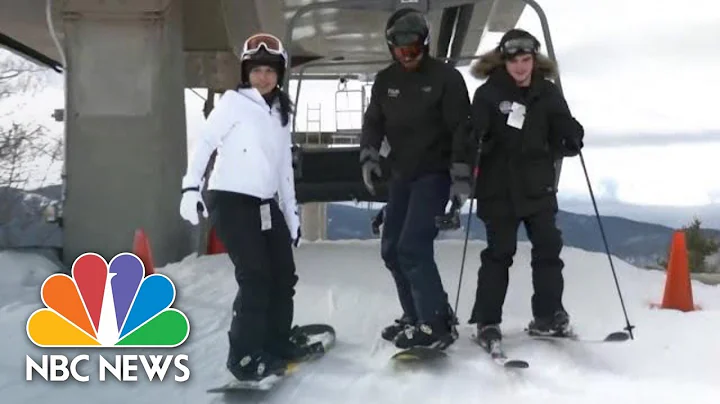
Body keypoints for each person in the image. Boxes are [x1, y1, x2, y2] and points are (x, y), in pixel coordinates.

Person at [179, 33, 307, 382]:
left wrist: (291, 214)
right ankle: (245, 357)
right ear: (246, 72)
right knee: (255, 277)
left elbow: (282, 167)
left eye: (270, 70)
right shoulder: (233, 103)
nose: (263, 76)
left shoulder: (282, 112)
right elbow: (205, 143)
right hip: (232, 200)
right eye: (256, 70)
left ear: (279, 73)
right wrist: (191, 187)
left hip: (266, 204)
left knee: (283, 274)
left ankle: (276, 342)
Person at [359, 7, 474, 350]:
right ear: (391, 47)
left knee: (413, 247)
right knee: (392, 249)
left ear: (424, 44)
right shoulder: (386, 80)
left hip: (434, 174)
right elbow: (373, 122)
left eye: (414, 49)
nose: (407, 56)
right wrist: (369, 155)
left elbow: (462, 131)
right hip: (402, 173)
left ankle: (436, 323)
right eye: (400, 50)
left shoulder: (446, 79)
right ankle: (416, 316)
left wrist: (461, 176)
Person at [465, 29, 585, 348]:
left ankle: (548, 314)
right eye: (514, 61)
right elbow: (470, 137)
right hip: (499, 189)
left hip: (538, 187)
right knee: (499, 254)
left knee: (548, 248)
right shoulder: (488, 94)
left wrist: (573, 136)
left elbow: (563, 127)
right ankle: (488, 321)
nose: (520, 67)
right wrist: (478, 139)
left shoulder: (547, 93)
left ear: (534, 60)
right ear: (503, 61)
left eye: (526, 60)